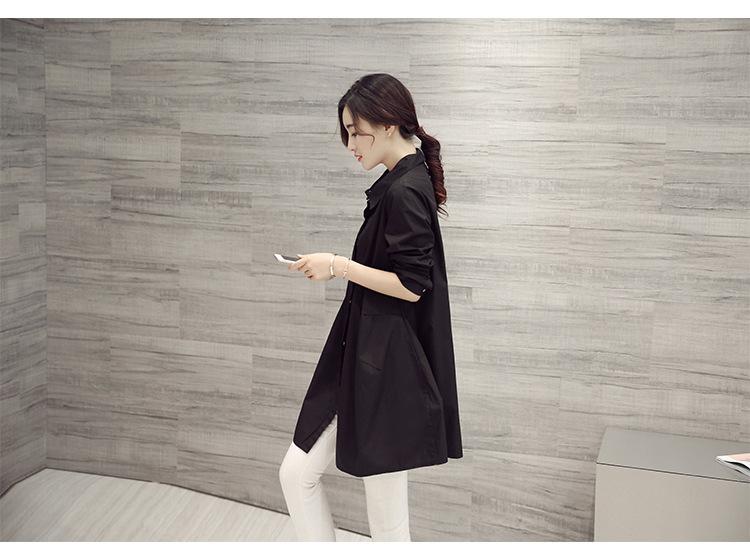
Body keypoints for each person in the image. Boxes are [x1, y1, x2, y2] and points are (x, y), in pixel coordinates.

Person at [278, 73, 463, 542]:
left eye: (354, 132)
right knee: (309, 480)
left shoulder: (405, 190)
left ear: (386, 124)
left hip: (385, 369)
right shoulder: (403, 181)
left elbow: (411, 286)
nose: (350, 145)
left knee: (382, 520)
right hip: (370, 360)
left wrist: (338, 265)